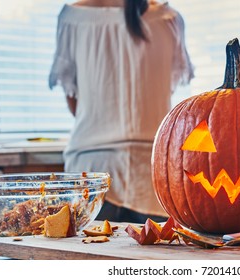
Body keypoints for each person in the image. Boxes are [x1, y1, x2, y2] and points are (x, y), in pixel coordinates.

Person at [48, 0, 194, 223]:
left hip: (91, 167)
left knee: (88, 254)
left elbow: (73, 99)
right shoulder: (169, 20)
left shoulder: (72, 18)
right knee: (153, 256)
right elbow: (164, 91)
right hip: (154, 170)